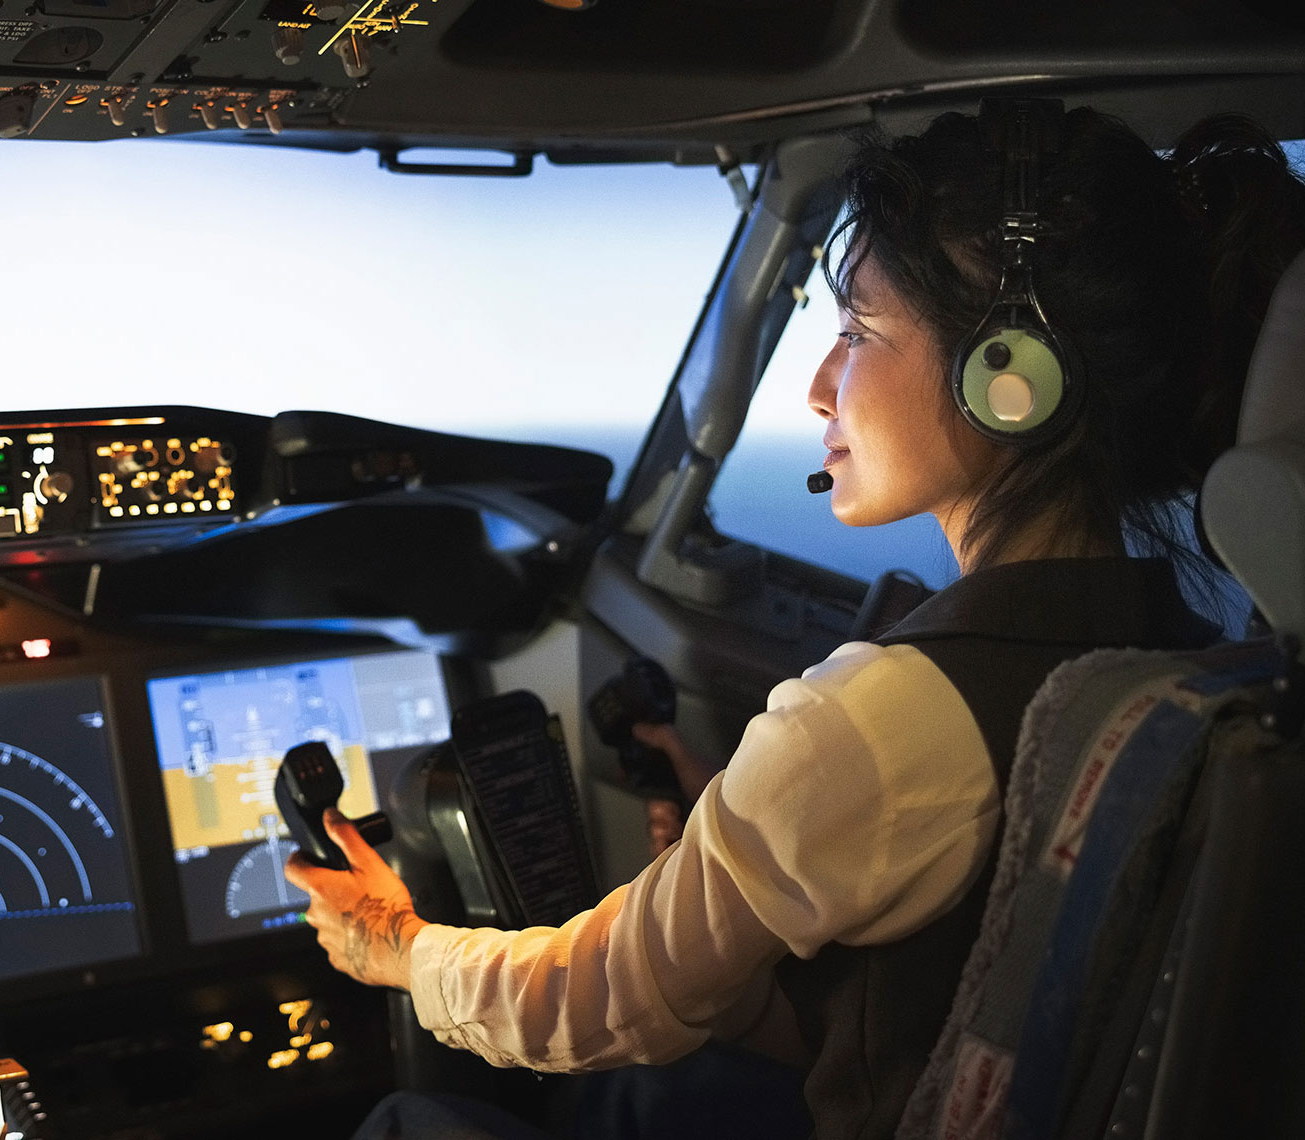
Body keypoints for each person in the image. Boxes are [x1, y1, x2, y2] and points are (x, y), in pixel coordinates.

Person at [286, 106, 1305, 1140]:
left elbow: (590, 1000)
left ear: (1012, 378)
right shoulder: (1178, 665)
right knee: (655, 1094)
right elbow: (932, 1014)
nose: (820, 385)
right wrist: (729, 899)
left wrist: (398, 945)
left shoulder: (886, 715)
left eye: (859, 331)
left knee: (411, 1125)